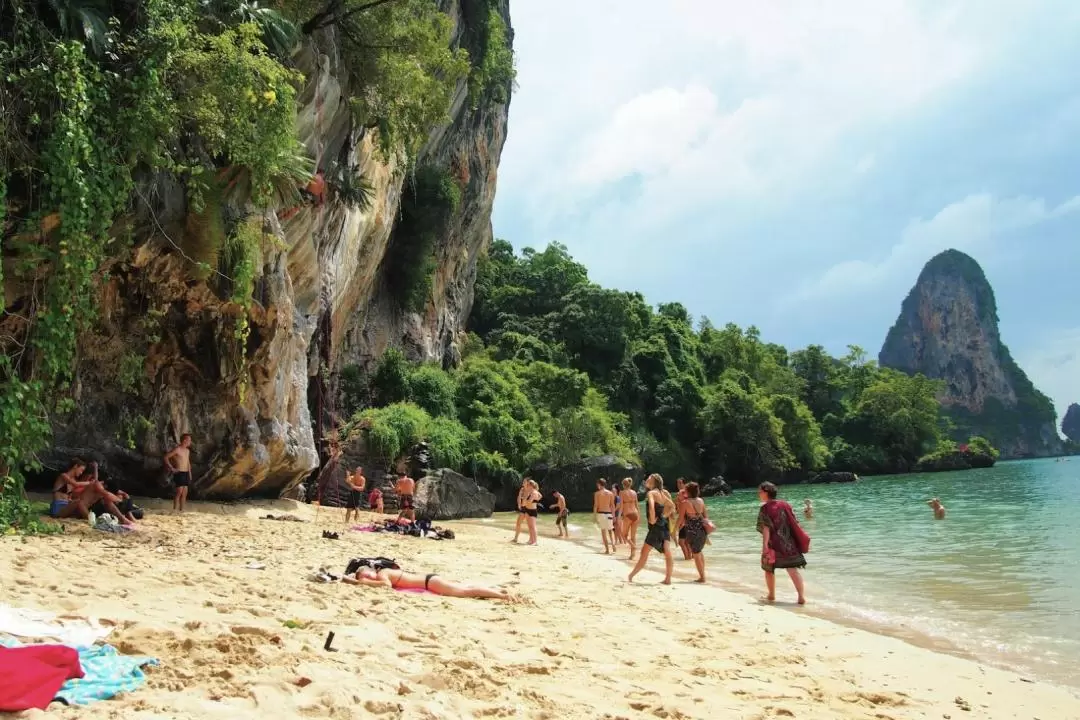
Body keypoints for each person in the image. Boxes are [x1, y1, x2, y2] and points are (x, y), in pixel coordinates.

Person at [757, 482, 807, 604]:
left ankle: (771, 595)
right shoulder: (785, 504)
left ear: (765, 492)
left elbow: (766, 528)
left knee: (768, 569)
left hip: (773, 545)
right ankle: (801, 597)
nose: (758, 494)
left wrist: (764, 547)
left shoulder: (765, 508)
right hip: (789, 544)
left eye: (760, 491)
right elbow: (795, 522)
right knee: (792, 570)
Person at [343, 567, 515, 600]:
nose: (363, 578)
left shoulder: (382, 573)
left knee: (466, 593)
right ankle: (498, 590)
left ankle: (502, 595)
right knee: (464, 588)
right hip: (429, 580)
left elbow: (386, 586)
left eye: (363, 574)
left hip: (429, 583)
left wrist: (361, 583)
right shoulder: (382, 573)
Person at [50, 460, 132, 525]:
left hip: (68, 507)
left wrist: (95, 470)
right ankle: (92, 521)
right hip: (58, 509)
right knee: (79, 502)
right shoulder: (63, 476)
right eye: (81, 470)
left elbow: (94, 483)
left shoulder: (74, 479)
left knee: (99, 494)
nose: (81, 472)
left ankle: (122, 519)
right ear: (75, 466)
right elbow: (76, 484)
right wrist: (91, 483)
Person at [628, 474, 675, 584]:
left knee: (644, 552)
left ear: (653, 481)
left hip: (656, 527)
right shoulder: (665, 493)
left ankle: (631, 576)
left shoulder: (651, 493)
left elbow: (652, 506)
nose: (646, 480)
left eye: (649, 478)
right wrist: (664, 516)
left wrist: (653, 518)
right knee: (667, 552)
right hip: (665, 526)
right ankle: (668, 579)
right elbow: (672, 506)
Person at [679, 482, 710, 583]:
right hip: (702, 529)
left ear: (688, 492)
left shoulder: (685, 503)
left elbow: (680, 518)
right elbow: (706, 517)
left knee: (696, 554)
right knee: (699, 552)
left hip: (692, 530)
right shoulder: (701, 501)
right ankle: (703, 574)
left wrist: (675, 529)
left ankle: (702, 577)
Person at [163, 433, 193, 512]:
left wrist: (190, 473)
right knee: (179, 491)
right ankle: (175, 509)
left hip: (186, 473)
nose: (190, 442)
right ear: (184, 440)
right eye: (189, 440)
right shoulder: (177, 449)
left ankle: (181, 509)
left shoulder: (187, 451)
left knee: (185, 492)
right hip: (179, 472)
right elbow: (166, 457)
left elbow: (188, 462)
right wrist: (172, 468)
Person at [593, 479, 616, 554]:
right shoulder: (610, 493)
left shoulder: (597, 493)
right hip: (609, 513)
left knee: (603, 532)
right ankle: (613, 544)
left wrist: (594, 516)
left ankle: (607, 550)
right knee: (610, 530)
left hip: (601, 513)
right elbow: (612, 505)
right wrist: (614, 516)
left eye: (597, 485)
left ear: (599, 484)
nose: (597, 486)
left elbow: (596, 505)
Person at [619, 478, 640, 559]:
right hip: (636, 514)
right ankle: (632, 555)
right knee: (633, 536)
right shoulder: (634, 492)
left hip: (628, 514)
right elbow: (637, 505)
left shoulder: (622, 493)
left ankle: (633, 546)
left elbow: (621, 507)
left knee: (624, 534)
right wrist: (639, 516)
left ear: (623, 485)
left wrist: (618, 517)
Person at [519, 479, 542, 545]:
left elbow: (529, 501)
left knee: (533, 526)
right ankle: (531, 540)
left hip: (532, 511)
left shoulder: (534, 492)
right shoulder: (529, 491)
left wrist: (525, 500)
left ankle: (535, 541)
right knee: (529, 526)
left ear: (531, 485)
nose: (527, 485)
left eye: (528, 484)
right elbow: (527, 501)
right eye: (527, 484)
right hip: (527, 510)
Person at [675, 478, 692, 560]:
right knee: (686, 542)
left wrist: (682, 522)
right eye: (677, 483)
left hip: (685, 520)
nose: (678, 485)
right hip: (686, 520)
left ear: (684, 484)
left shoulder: (683, 494)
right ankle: (690, 557)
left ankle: (687, 558)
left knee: (682, 542)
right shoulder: (685, 494)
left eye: (680, 483)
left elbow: (684, 511)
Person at [511, 479, 531, 543]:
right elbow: (519, 497)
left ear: (528, 483)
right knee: (518, 523)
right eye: (523, 481)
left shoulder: (530, 490)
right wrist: (519, 504)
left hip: (529, 508)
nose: (523, 482)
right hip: (523, 508)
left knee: (530, 524)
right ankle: (516, 538)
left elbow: (536, 497)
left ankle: (531, 539)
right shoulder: (522, 489)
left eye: (524, 482)